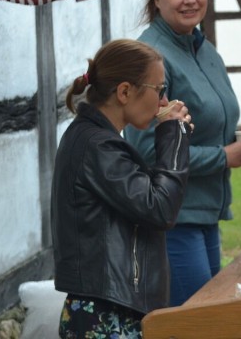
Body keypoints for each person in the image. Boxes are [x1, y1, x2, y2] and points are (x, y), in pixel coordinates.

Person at [125, 0, 241, 306]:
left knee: (209, 314)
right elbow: (147, 150)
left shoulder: (202, 48)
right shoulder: (151, 58)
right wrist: (224, 156)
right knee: (195, 321)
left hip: (203, 212)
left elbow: (185, 128)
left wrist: (233, 136)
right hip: (174, 219)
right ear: (156, 0)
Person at [52, 39, 191, 337]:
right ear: (125, 91)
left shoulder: (97, 139)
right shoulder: (97, 145)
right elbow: (160, 208)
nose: (164, 103)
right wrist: (172, 135)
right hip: (106, 313)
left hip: (110, 306)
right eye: (159, 90)